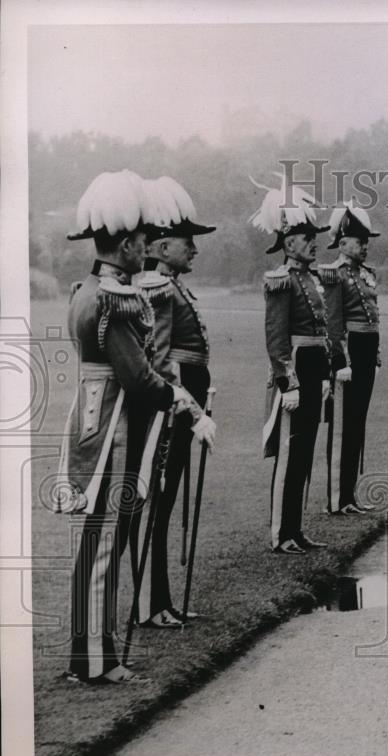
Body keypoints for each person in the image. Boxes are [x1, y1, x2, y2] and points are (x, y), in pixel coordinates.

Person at [52, 170, 213, 684]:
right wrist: (183, 401)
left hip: (95, 423)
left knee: (98, 544)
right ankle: (94, 663)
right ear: (124, 244)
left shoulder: (90, 291)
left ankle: (90, 656)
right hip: (115, 433)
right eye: (142, 239)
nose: (147, 247)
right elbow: (139, 378)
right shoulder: (112, 299)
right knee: (103, 547)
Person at [132, 176, 217, 628]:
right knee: (158, 499)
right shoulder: (160, 288)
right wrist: (193, 408)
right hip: (174, 405)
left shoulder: (174, 286)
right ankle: (151, 603)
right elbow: (162, 359)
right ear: (163, 248)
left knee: (167, 498)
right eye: (188, 243)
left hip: (188, 397)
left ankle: (162, 600)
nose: (194, 251)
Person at [252, 179, 332, 555]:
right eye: (305, 236)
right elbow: (276, 338)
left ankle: (296, 530)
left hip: (315, 366)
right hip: (297, 368)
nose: (313, 242)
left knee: (305, 451)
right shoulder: (281, 280)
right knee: (289, 451)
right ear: (287, 243)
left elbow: (323, 331)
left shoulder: (311, 279)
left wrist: (328, 372)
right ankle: (281, 533)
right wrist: (289, 382)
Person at [318, 201, 382, 514]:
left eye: (366, 241)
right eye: (360, 241)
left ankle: (349, 496)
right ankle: (337, 499)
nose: (365, 246)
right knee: (343, 425)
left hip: (367, 350)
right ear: (343, 243)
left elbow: (372, 317)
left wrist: (376, 355)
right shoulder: (335, 275)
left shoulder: (366, 274)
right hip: (350, 353)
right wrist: (340, 362)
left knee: (358, 423)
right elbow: (332, 324)